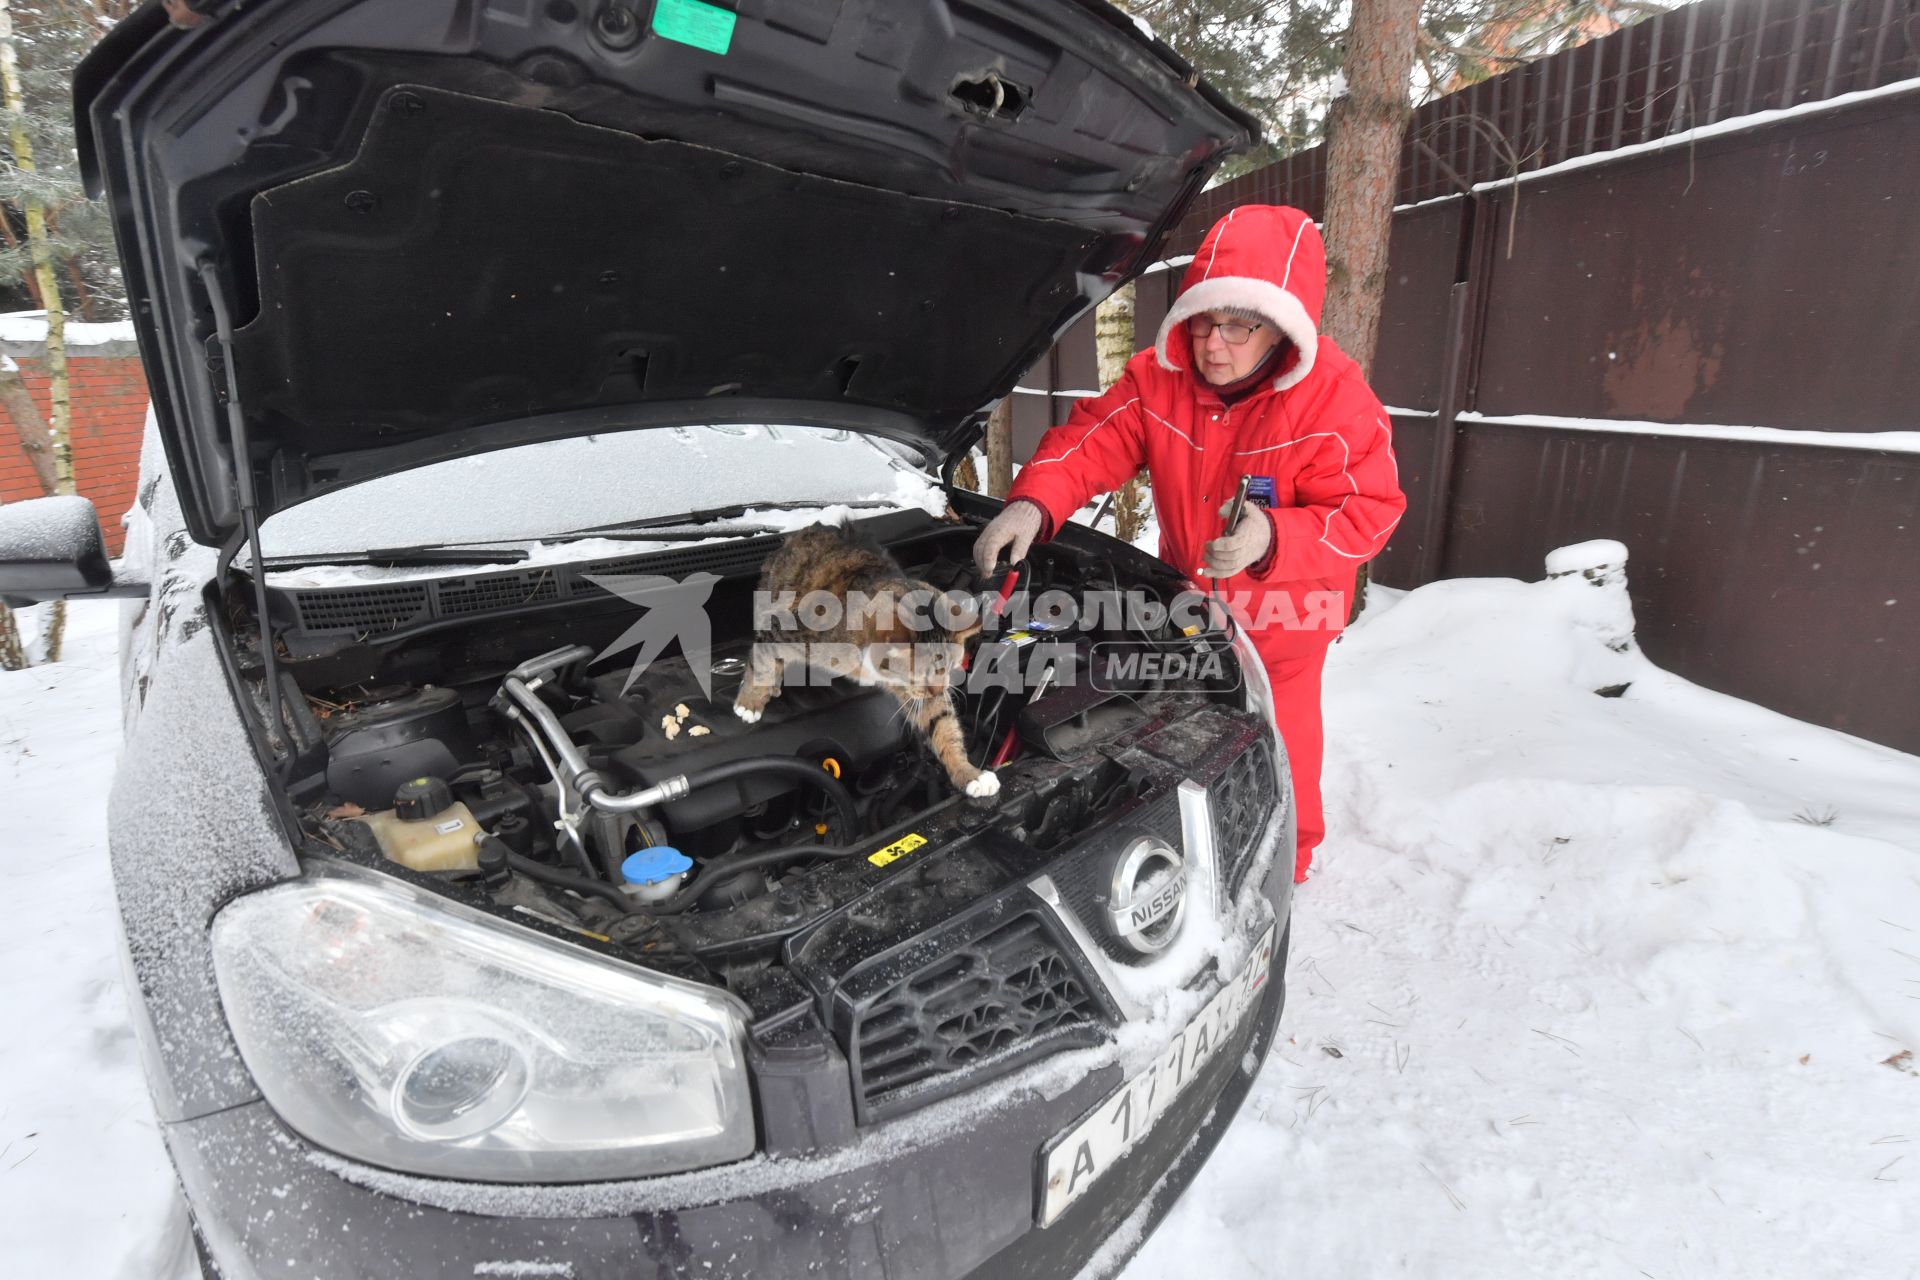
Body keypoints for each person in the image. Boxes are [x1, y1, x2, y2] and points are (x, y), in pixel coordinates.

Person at [971, 204, 1407, 884]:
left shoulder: (1336, 406)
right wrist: (1035, 503)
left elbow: (1370, 513)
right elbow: (1092, 442)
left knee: (1280, 739)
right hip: (1191, 604)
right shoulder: (1158, 380)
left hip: (1286, 622)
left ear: (1283, 326)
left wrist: (1274, 535)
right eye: (1205, 319)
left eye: (1240, 325)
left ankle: (1286, 856)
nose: (1213, 344)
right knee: (1183, 730)